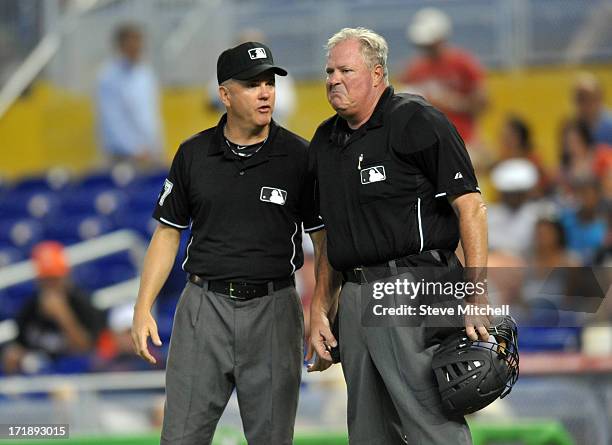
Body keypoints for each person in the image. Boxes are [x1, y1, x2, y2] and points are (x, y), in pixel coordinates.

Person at [131, 41, 331, 445]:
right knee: (180, 438)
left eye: (270, 83)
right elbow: (168, 232)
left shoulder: (300, 156)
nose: (265, 93)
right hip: (204, 307)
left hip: (274, 308)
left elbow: (323, 241)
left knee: (272, 439)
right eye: (252, 84)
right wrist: (142, 306)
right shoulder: (193, 154)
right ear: (225, 94)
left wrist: (321, 311)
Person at [307, 27, 490, 444]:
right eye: (329, 71)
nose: (334, 79)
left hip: (411, 284)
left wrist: (477, 294)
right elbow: (328, 236)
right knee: (367, 430)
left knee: (428, 421)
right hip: (354, 294)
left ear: (377, 73)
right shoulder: (324, 141)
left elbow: (471, 208)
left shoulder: (417, 120)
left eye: (345, 70)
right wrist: (321, 306)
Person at [1, 241, 105, 375]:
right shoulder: (31, 306)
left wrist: (63, 316)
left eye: (55, 279)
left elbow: (87, 350)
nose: (50, 285)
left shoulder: (83, 303)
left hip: (78, 375)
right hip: (40, 375)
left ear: (66, 277)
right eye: (46, 279)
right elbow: (20, 345)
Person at [397, 8, 488, 148]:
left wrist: (452, 102)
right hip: (425, 142)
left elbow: (483, 103)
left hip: (461, 139)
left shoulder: (462, 63)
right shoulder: (414, 68)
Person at [96, 23, 164, 167]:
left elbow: (151, 115)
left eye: (138, 42)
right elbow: (112, 119)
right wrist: (135, 149)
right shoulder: (109, 77)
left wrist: (157, 146)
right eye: (131, 42)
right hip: (123, 156)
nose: (136, 47)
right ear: (121, 45)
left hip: (150, 153)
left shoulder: (145, 73)